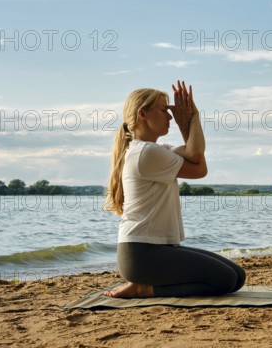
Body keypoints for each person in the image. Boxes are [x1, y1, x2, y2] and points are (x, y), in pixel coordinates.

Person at [103, 81, 245, 298]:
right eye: (164, 110)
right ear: (143, 114)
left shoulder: (157, 150)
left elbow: (197, 161)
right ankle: (144, 288)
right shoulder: (146, 153)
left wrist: (188, 120)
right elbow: (197, 161)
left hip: (155, 249)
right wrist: (190, 119)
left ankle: (143, 285)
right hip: (142, 253)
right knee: (226, 279)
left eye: (171, 113)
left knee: (237, 276)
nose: (170, 117)